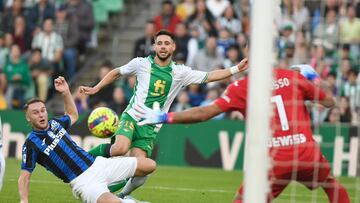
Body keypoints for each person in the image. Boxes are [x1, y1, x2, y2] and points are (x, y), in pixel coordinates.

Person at [136, 65, 350, 203]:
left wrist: (166, 117)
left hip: (275, 159)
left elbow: (204, 113)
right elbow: (329, 102)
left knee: (242, 199)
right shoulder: (292, 77)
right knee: (331, 184)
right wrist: (312, 78)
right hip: (306, 152)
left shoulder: (243, 87)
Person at [79, 29, 248, 198]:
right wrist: (96, 88)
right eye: (159, 43)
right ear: (154, 46)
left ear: (173, 47)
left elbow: (209, 76)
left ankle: (121, 195)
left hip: (151, 126)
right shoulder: (141, 63)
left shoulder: (180, 72)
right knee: (120, 148)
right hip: (132, 116)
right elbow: (116, 72)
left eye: (167, 43)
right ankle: (81, 158)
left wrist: (235, 69)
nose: (163, 46)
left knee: (141, 170)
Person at [18, 76, 156, 203]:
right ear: (28, 118)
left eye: (43, 110)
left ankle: (123, 194)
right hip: (82, 182)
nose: (41, 115)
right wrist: (24, 201)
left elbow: (72, 115)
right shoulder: (31, 143)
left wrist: (66, 92)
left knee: (149, 165)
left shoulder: (55, 123)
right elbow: (24, 176)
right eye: (35, 113)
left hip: (99, 165)